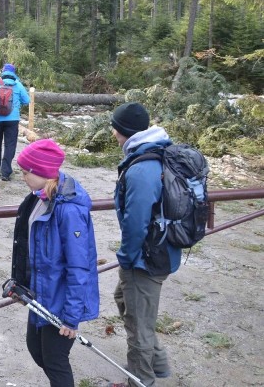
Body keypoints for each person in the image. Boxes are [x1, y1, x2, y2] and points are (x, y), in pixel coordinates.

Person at [10, 138, 99, 387]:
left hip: (61, 301)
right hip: (40, 294)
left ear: (42, 172)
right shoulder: (37, 199)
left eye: (26, 172)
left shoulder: (69, 211)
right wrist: (21, 284)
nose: (23, 177)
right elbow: (27, 247)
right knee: (36, 350)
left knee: (55, 361)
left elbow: (79, 266)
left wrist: (71, 317)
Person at [109, 102, 179, 387]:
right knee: (125, 302)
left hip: (145, 259)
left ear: (122, 131)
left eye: (114, 127)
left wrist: (126, 257)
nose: (112, 132)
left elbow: (135, 221)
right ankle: (159, 366)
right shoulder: (156, 152)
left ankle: (141, 380)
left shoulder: (142, 168)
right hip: (161, 251)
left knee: (139, 325)